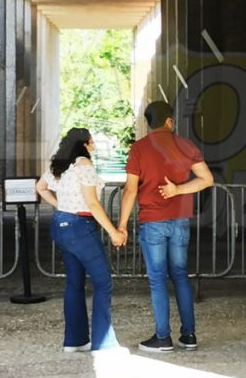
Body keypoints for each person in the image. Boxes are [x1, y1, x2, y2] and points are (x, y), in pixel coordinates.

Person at [118, 101, 213, 353]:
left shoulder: (139, 149)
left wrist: (122, 225)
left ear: (149, 123)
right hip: (181, 221)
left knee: (158, 279)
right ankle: (189, 335)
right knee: (180, 275)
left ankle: (163, 338)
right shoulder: (185, 145)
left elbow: (130, 190)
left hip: (153, 223)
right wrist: (179, 190)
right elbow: (206, 179)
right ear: (169, 121)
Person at [36, 128, 125, 353]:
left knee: (74, 282)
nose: (94, 145)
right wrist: (114, 232)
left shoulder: (60, 165)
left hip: (60, 225)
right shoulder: (84, 164)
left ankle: (75, 341)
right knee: (103, 282)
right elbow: (92, 203)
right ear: (84, 144)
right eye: (92, 141)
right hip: (80, 228)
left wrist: (62, 207)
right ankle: (104, 343)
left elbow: (40, 188)